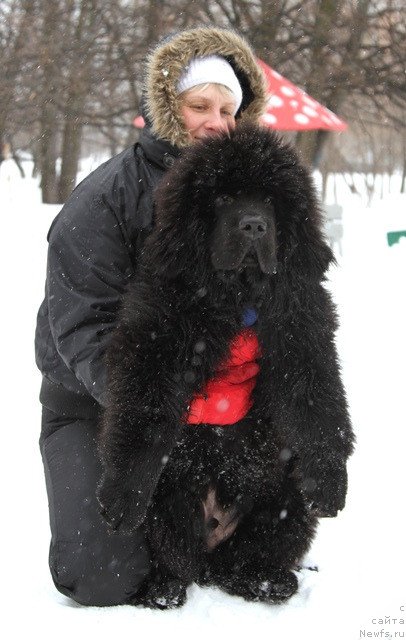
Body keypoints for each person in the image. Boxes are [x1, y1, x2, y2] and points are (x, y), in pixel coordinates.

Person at [35, 26, 267, 607]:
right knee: (102, 572)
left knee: (241, 537)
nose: (216, 122)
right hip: (100, 399)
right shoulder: (105, 199)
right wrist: (154, 414)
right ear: (166, 107)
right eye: (199, 106)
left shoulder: (247, 197)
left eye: (228, 109)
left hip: (210, 395)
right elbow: (83, 331)